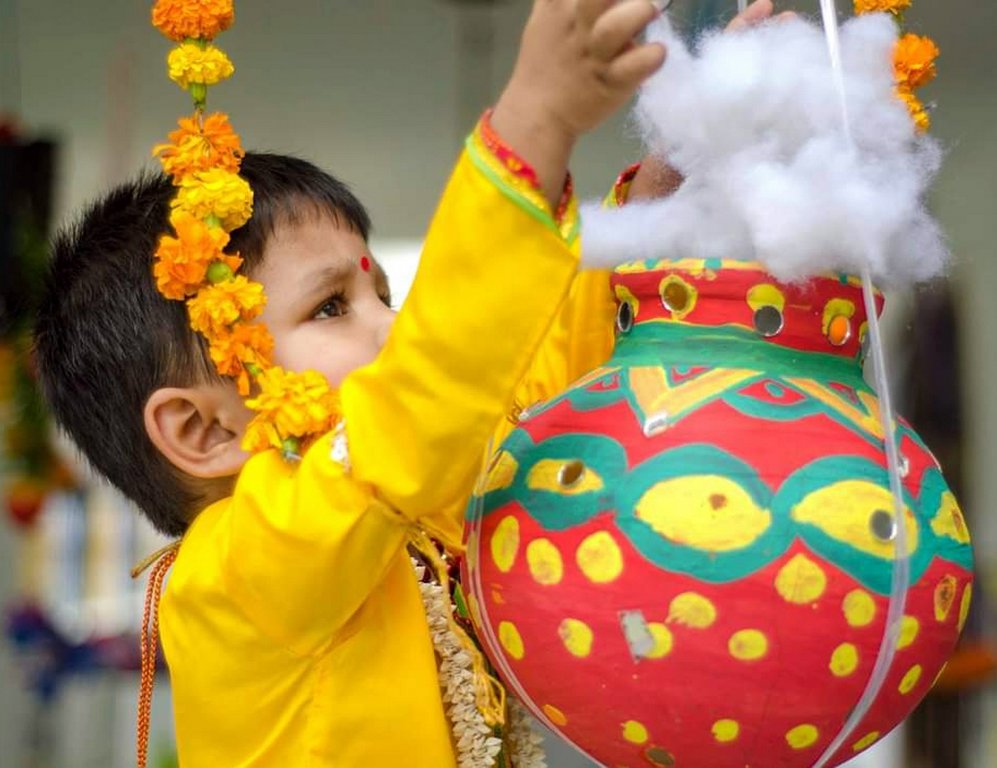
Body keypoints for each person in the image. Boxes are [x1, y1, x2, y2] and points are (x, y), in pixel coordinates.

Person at [34, 1, 669, 765]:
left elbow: (521, 390)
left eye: (386, 298)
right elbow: (429, 385)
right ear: (205, 430)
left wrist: (661, 198)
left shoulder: (405, 520)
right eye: (332, 306)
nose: (395, 330)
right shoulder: (240, 577)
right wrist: (535, 122)